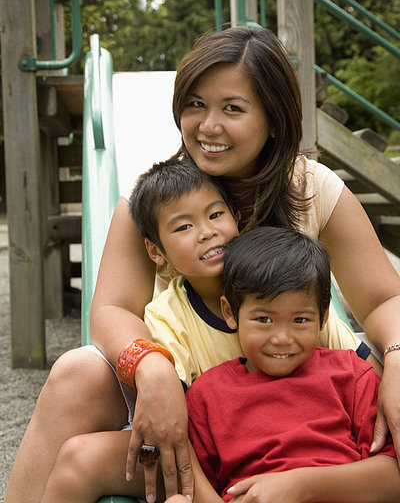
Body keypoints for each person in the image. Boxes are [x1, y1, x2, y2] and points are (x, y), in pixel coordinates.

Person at [5, 26, 400, 503]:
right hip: (195, 390)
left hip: (302, 387)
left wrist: (398, 359)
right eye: (195, 104)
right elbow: (112, 308)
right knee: (77, 374)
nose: (208, 126)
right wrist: (152, 370)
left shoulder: (310, 188)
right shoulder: (155, 202)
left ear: (274, 120)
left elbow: (384, 300)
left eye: (232, 108)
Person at [39, 156, 241, 502]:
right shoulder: (166, 318)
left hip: (281, 436)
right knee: (78, 459)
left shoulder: (276, 287)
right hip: (207, 449)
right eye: (183, 227)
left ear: (236, 217)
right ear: (155, 251)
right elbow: (178, 428)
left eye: (215, 215)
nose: (207, 231)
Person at [167, 227, 400, 503]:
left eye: (300, 320)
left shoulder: (350, 375)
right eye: (264, 319)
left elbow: (392, 477)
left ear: (323, 317)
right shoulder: (207, 395)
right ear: (230, 313)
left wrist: (300, 485)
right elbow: (195, 481)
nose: (282, 338)